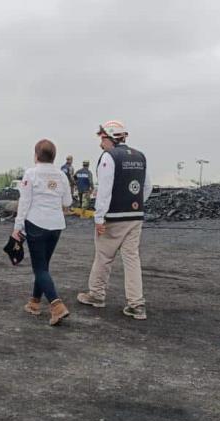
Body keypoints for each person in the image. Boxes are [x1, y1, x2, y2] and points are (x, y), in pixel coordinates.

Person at [77, 120, 152, 320]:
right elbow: (147, 188)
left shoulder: (108, 158)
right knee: (132, 259)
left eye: (102, 138)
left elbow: (104, 190)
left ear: (109, 137)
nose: (100, 143)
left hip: (113, 218)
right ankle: (136, 304)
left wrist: (99, 217)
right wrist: (134, 204)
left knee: (104, 256)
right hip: (135, 217)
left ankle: (96, 295)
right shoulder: (140, 157)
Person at [14, 139, 73, 326]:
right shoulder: (61, 175)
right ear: (53, 156)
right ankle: (34, 302)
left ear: (36, 155)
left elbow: (24, 202)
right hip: (56, 225)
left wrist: (18, 227)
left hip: (36, 223)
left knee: (39, 268)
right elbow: (68, 202)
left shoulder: (31, 174)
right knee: (43, 266)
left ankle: (57, 305)